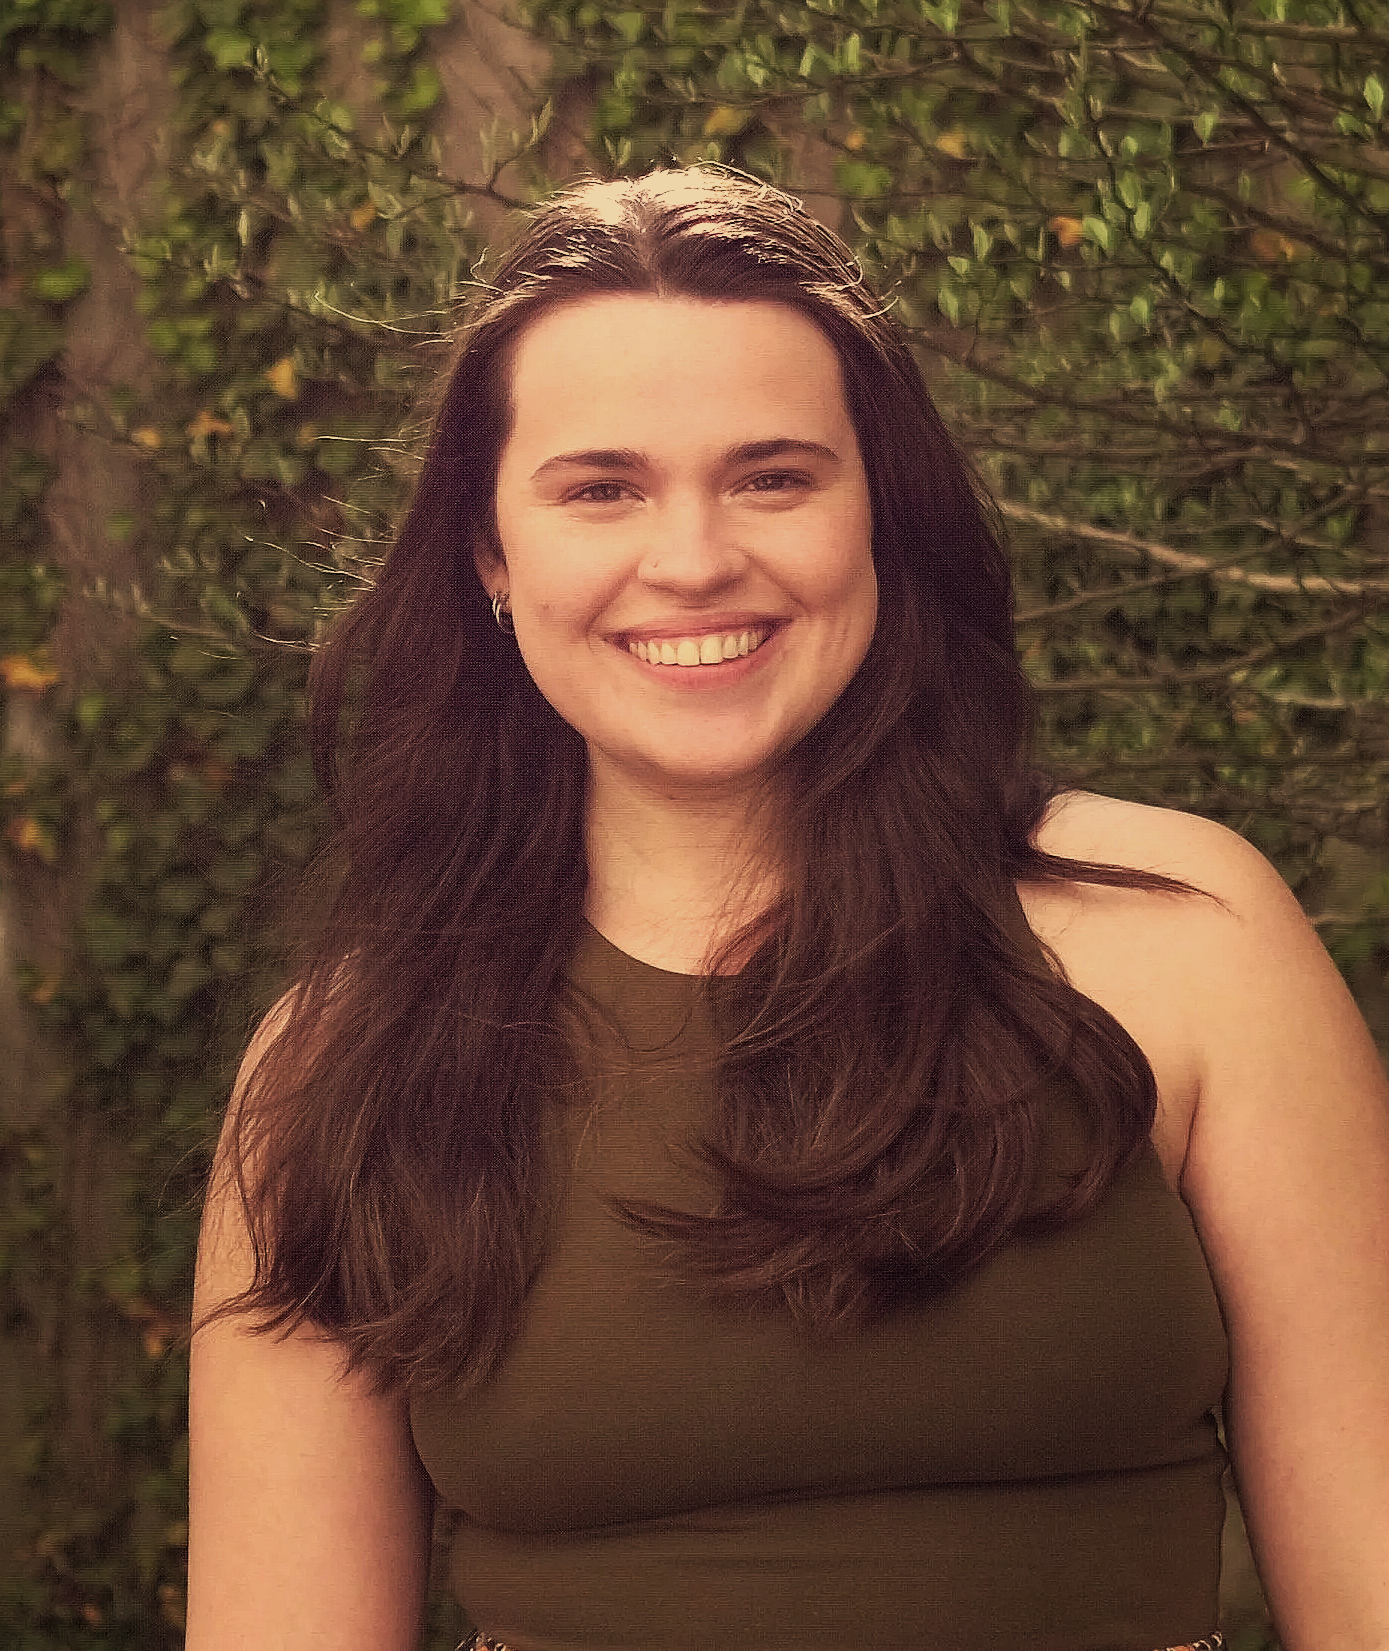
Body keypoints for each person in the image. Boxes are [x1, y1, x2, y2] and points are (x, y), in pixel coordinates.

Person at [187, 167, 1389, 1651]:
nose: (695, 560)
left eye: (773, 477)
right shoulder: (343, 1072)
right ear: (492, 555)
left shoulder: (1185, 946)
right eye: (601, 488)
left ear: (880, 517)